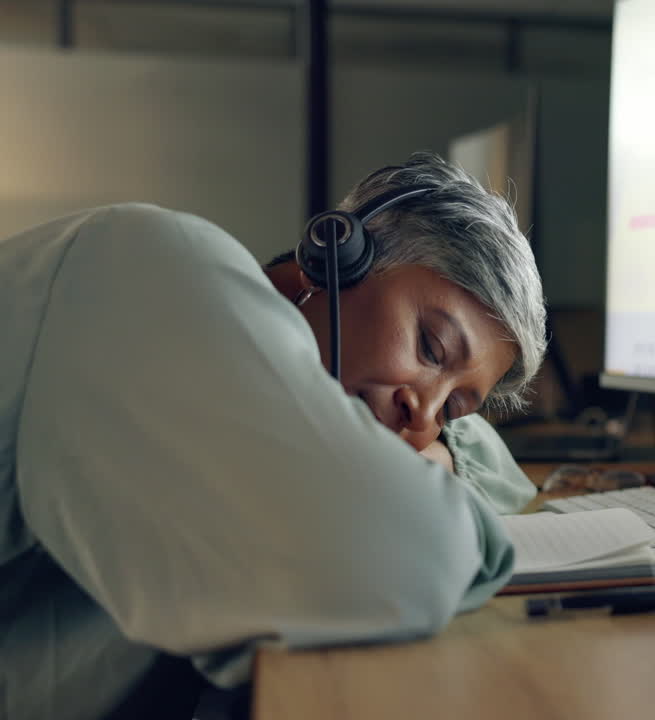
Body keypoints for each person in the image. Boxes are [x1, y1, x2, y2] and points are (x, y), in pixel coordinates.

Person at [0, 152, 547, 720]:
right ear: (337, 257)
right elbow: (403, 565)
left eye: (454, 407)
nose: (423, 413)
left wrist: (440, 456)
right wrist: (426, 490)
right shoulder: (145, 264)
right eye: (430, 348)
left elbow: (498, 468)